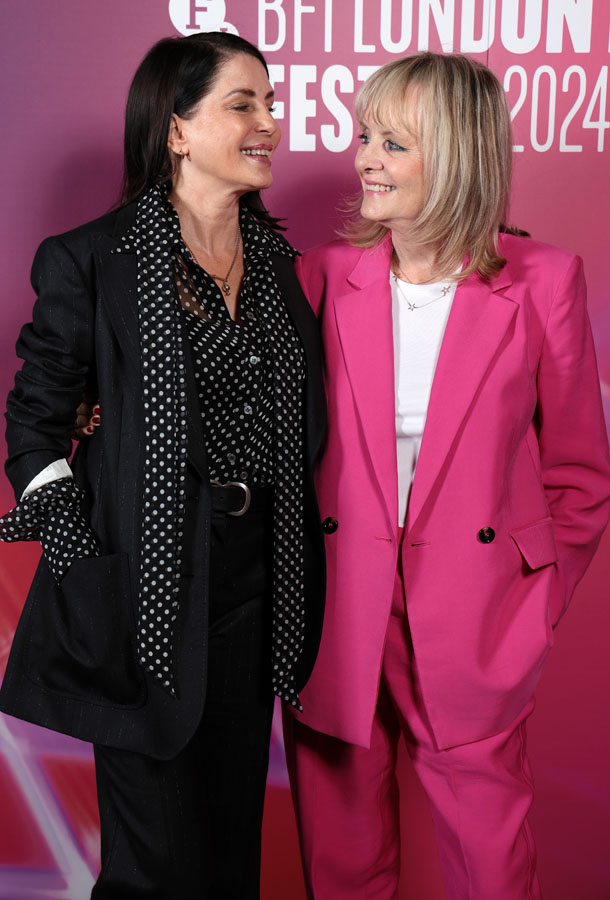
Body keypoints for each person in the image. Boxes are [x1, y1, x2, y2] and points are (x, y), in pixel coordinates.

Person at [0, 31, 325, 900]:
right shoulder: (91, 259)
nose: (269, 123)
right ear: (176, 128)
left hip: (256, 587)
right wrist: (83, 561)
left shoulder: (279, 266)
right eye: (243, 104)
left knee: (229, 860)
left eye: (270, 104)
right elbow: (33, 429)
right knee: (154, 872)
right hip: (142, 592)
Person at [283, 52, 610, 900]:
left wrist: (531, 606)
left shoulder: (545, 281)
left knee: (490, 864)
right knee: (343, 861)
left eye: (392, 144)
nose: (365, 160)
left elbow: (580, 476)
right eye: (365, 137)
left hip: (477, 613)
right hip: (336, 608)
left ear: (459, 154)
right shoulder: (320, 275)